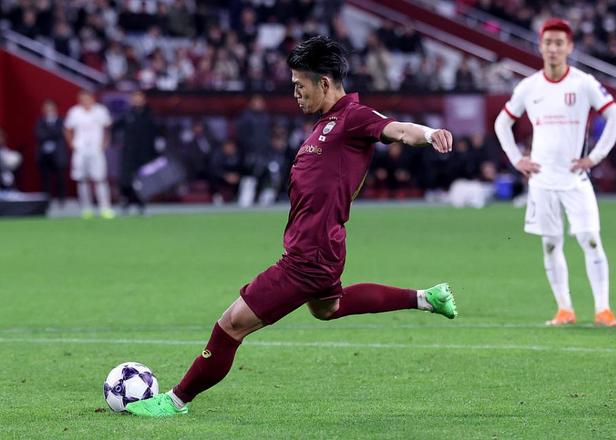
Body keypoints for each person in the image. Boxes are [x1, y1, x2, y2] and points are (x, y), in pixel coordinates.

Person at [126, 35, 457, 417]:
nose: (295, 93)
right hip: (322, 247)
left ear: (325, 83)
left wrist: (430, 134)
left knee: (231, 325)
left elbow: (398, 129)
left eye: (300, 85)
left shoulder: (353, 117)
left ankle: (176, 400)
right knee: (327, 308)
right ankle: (427, 298)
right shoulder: (325, 124)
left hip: (308, 257)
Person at [494, 18, 616, 327]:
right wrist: (516, 159)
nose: (553, 48)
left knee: (590, 240)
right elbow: (502, 123)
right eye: (548, 43)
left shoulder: (583, 83)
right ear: (540, 47)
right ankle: (564, 309)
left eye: (559, 43)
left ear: (569, 47)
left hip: (574, 179)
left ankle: (603, 310)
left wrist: (594, 157)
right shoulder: (529, 86)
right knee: (551, 244)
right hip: (541, 181)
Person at [64, 90, 115, 219]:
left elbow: (107, 128)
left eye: (87, 98)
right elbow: (67, 129)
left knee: (100, 179)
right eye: (82, 98)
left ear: (92, 98)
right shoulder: (74, 112)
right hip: (80, 150)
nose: (85, 100)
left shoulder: (100, 111)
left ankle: (105, 208)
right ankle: (86, 209)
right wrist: (72, 144)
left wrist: (105, 142)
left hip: (96, 150)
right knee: (82, 179)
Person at [114, 90, 157, 214]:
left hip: (144, 152)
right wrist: (115, 142)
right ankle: (126, 200)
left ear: (144, 100)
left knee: (142, 179)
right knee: (125, 179)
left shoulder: (149, 114)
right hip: (129, 152)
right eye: (135, 98)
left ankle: (141, 203)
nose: (137, 100)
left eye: (139, 98)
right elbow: (115, 127)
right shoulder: (127, 114)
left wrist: (153, 150)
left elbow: (155, 133)